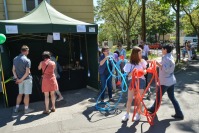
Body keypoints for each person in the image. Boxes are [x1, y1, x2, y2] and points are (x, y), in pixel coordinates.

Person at [147, 45, 184, 119]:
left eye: (162, 49)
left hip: (165, 81)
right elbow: (162, 64)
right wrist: (152, 62)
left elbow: (165, 69)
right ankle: (179, 113)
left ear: (165, 50)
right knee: (172, 98)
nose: (161, 50)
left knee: (158, 96)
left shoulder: (167, 58)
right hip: (170, 81)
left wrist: (157, 64)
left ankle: (153, 109)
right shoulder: (169, 56)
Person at [122, 46, 147, 122]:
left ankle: (138, 114)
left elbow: (145, 70)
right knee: (129, 99)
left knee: (139, 99)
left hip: (141, 81)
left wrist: (143, 72)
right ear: (135, 54)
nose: (141, 54)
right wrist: (133, 73)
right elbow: (127, 74)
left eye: (141, 52)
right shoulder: (129, 63)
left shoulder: (142, 61)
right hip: (132, 81)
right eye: (140, 53)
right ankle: (127, 114)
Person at [12, 45, 33, 114]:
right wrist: (21, 79)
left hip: (19, 80)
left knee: (20, 94)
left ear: (21, 51)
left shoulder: (15, 58)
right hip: (26, 79)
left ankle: (16, 108)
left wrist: (17, 78)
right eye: (28, 51)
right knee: (26, 95)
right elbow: (27, 73)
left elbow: (13, 70)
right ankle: (26, 109)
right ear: (27, 51)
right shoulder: (27, 60)